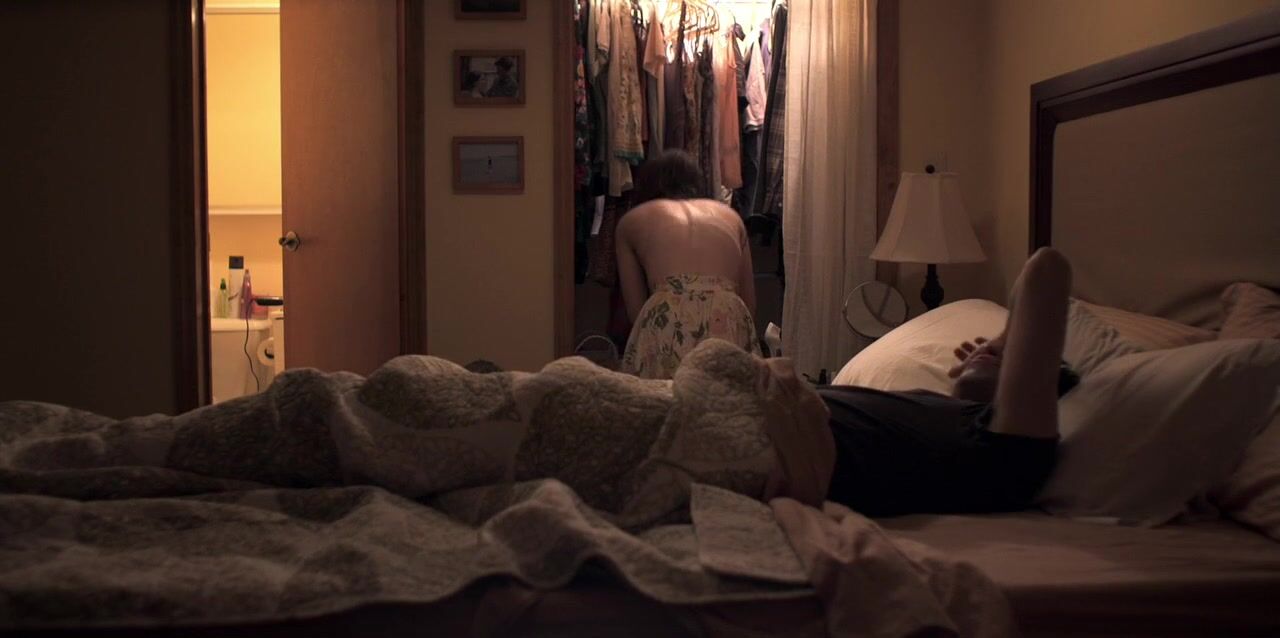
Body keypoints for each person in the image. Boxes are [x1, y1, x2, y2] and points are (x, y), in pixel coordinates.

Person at [768, 247, 1075, 517]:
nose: (985, 349)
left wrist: (1004, 342)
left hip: (775, 441)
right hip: (763, 401)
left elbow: (1047, 268)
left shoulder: (1007, 458)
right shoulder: (931, 409)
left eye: (1005, 354)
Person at [615, 150, 760, 379]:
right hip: (726, 311)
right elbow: (749, 302)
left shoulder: (632, 221)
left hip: (668, 312)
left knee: (665, 398)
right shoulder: (730, 217)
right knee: (727, 397)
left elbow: (636, 311)